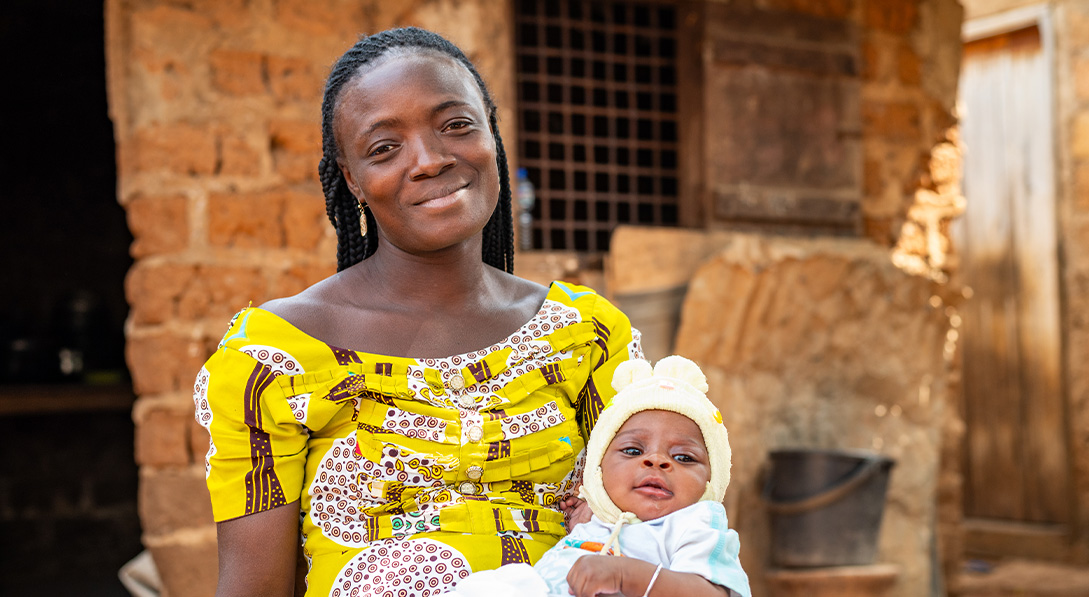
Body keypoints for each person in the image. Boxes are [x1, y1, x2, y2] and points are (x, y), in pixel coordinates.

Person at [192, 27, 642, 596]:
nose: (429, 160)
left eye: (456, 125)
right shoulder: (275, 358)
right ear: (352, 180)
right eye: (384, 148)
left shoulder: (586, 335)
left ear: (492, 137)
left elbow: (664, 528)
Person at [445, 356, 751, 597]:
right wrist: (587, 523)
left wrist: (625, 575)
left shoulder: (695, 525)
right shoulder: (599, 518)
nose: (656, 461)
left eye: (683, 457)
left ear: (712, 482)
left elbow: (709, 593)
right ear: (598, 470)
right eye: (632, 451)